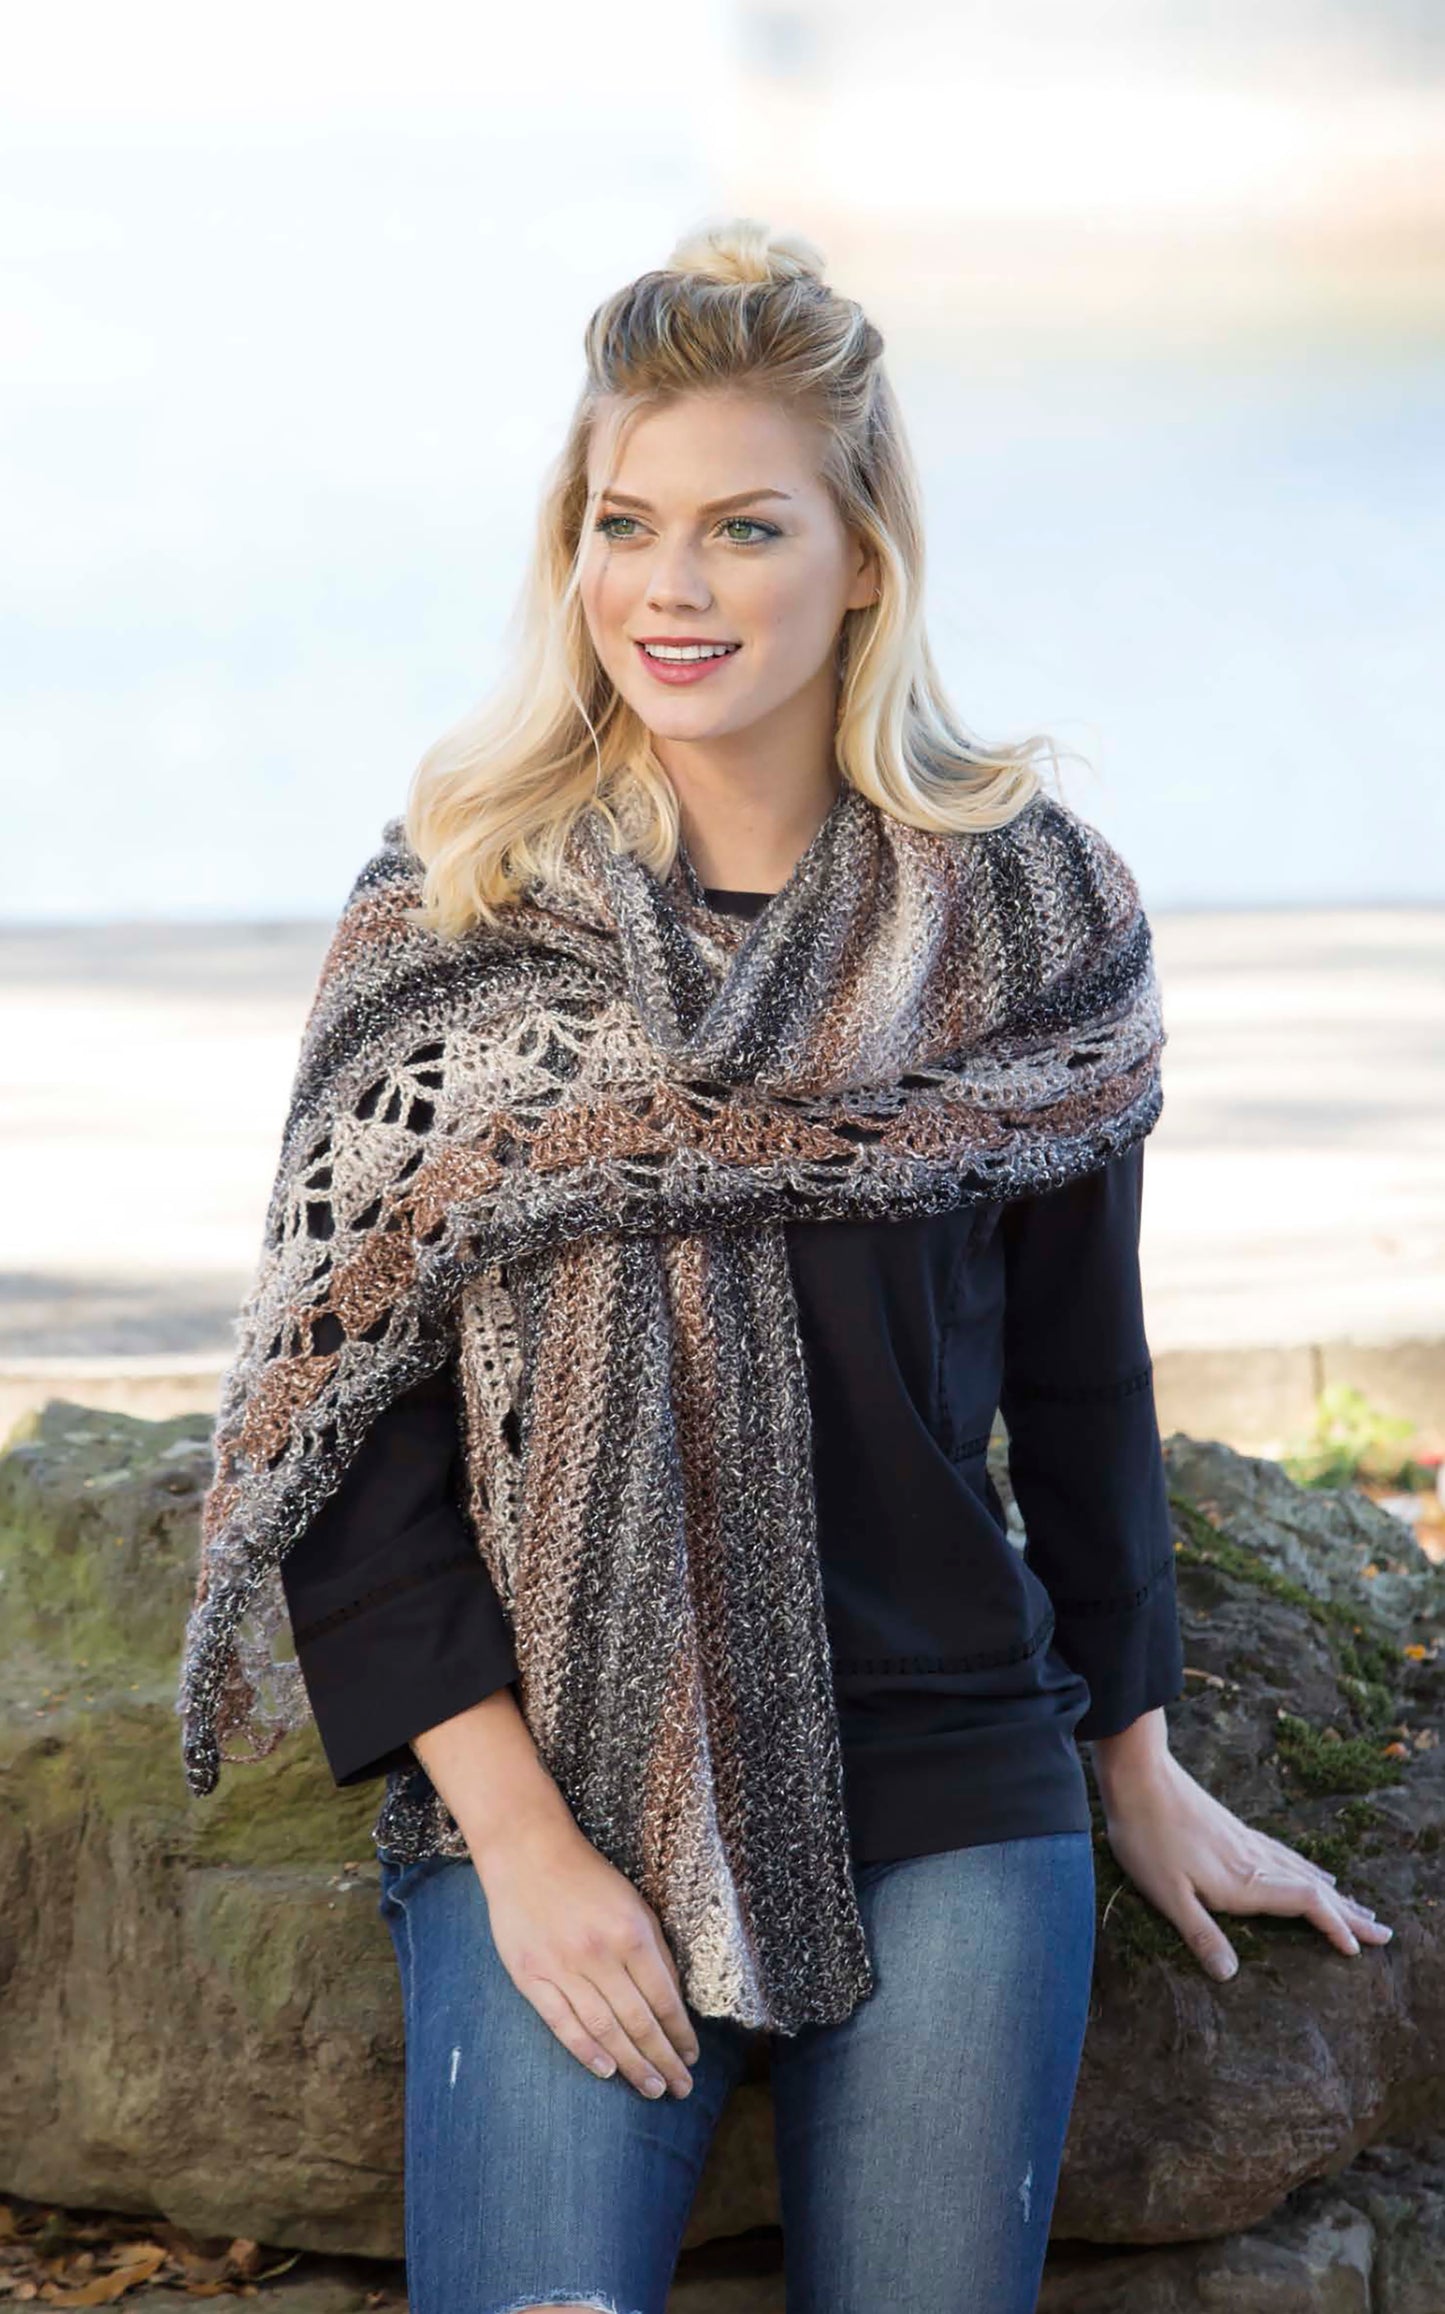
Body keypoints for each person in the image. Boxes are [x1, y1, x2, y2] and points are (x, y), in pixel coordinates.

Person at [177, 215, 1392, 2314]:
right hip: (559, 1762)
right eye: (624, 523)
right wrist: (529, 1856)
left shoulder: (1027, 919)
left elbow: (1083, 1377)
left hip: (949, 1773)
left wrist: (1136, 1751)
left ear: (863, 561)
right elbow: (352, 1436)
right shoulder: (456, 923)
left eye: (744, 527)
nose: (672, 584)